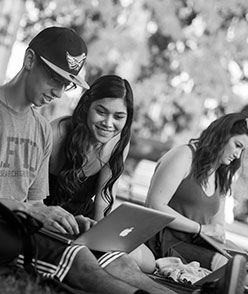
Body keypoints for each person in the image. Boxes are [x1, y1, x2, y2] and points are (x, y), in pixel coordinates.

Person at [0, 25, 245, 294]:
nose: (59, 93)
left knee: (120, 260)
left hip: (34, 223)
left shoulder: (40, 128)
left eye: (66, 84)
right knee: (83, 262)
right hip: (13, 228)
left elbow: (36, 202)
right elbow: (34, 207)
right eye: (54, 78)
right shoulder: (54, 130)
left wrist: (61, 217)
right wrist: (34, 211)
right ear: (29, 59)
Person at [145, 112, 248, 273]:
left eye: (243, 150)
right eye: (237, 145)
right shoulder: (184, 155)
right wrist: (200, 229)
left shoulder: (221, 175)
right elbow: (154, 205)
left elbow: (216, 225)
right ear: (222, 135)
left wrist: (218, 233)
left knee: (241, 263)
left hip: (194, 244)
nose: (238, 155)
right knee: (228, 267)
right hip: (163, 239)